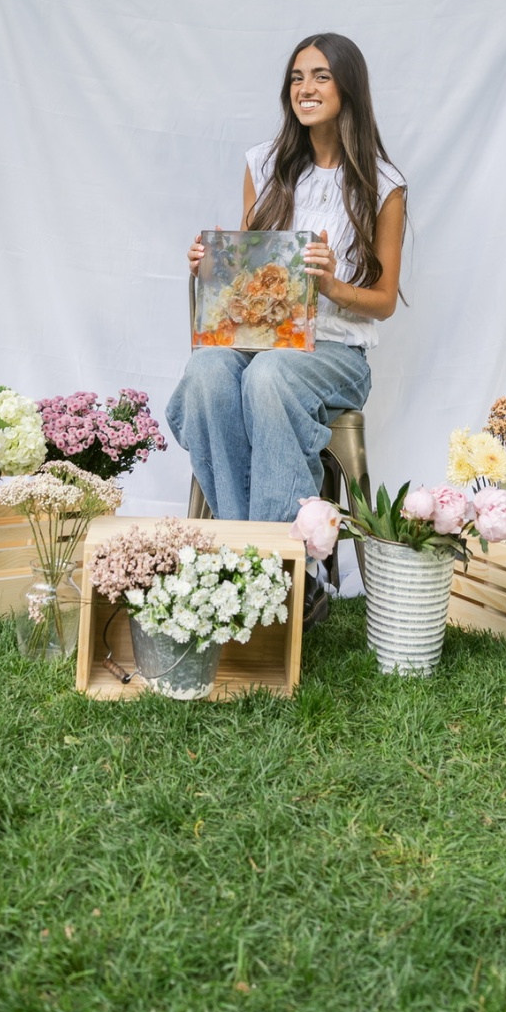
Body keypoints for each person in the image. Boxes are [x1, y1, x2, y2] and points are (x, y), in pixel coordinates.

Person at [165, 32, 406, 619]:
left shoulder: (383, 182)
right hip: (262, 342)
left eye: (321, 76)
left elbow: (382, 302)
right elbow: (249, 276)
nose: (306, 88)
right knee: (205, 371)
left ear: (348, 87)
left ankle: (265, 565)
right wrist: (208, 269)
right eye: (297, 78)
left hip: (336, 355)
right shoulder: (263, 165)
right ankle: (265, 559)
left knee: (269, 375)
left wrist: (332, 288)